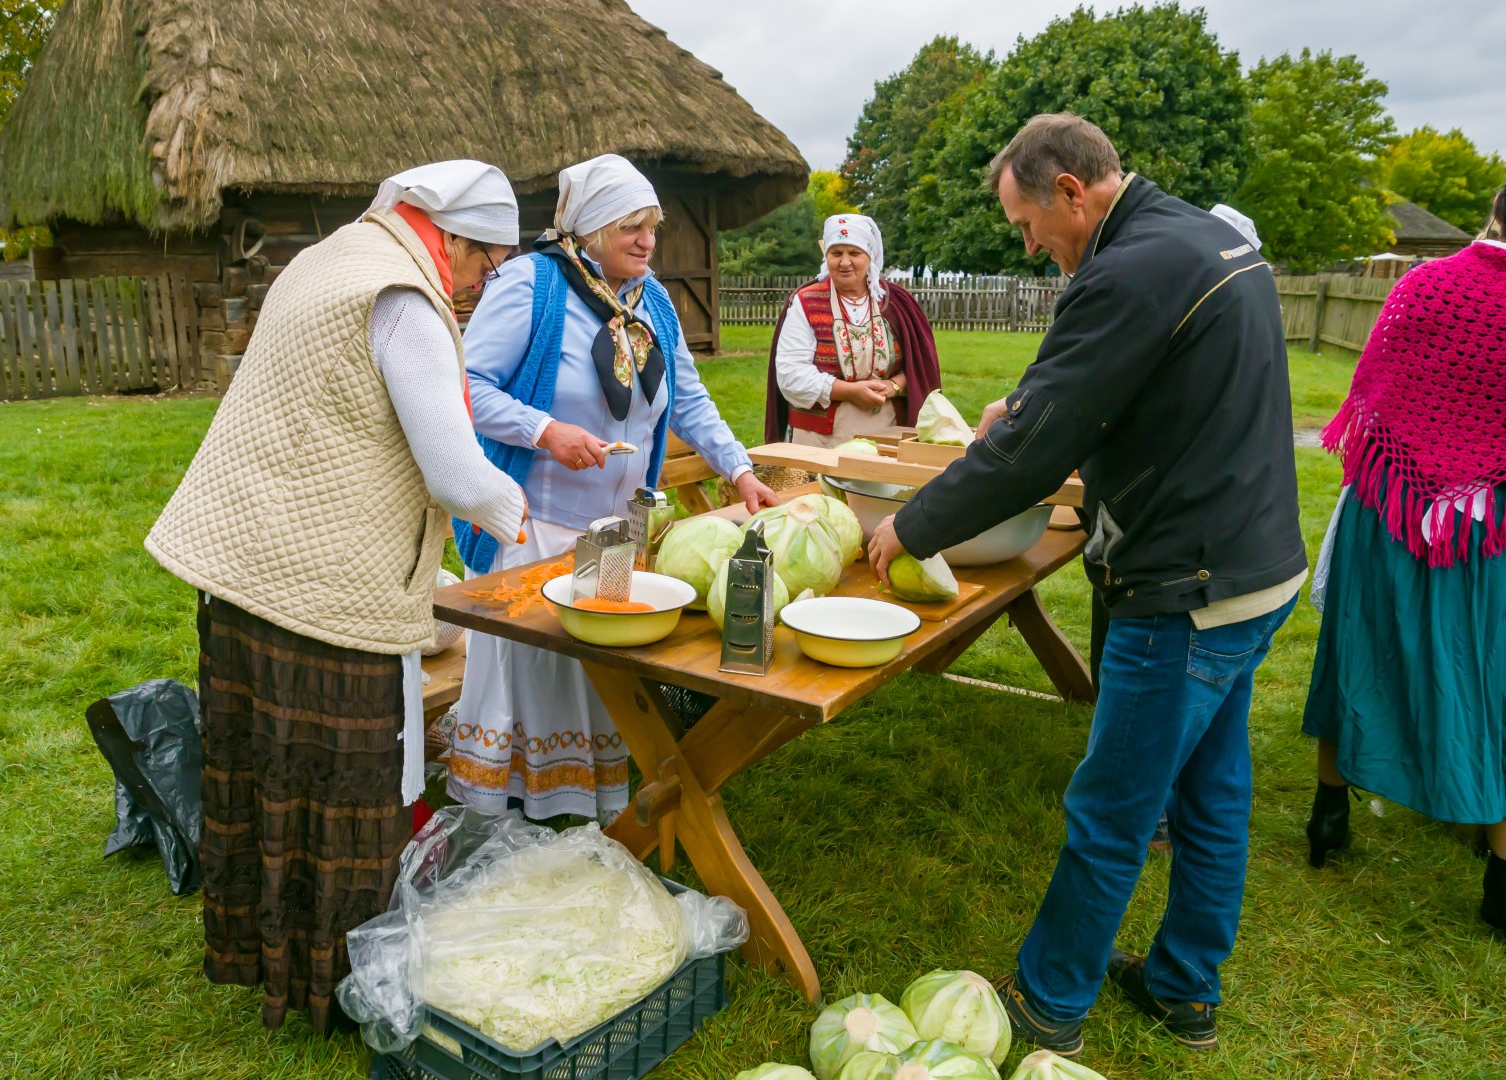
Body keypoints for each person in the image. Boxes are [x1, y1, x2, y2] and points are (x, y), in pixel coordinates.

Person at [867, 114, 1306, 1056]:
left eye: (1028, 223)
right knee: (1215, 795)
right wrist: (1022, 404)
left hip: (1185, 582)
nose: (1028, 245)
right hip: (1259, 569)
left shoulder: (1127, 268)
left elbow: (1029, 457)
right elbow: (1138, 382)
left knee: (1113, 808)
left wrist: (911, 524)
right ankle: (1187, 988)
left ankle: (1049, 1000)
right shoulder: (1199, 236)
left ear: (1072, 191)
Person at [143, 160, 529, 1033]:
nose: (481, 282)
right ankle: (339, 987)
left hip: (246, 570)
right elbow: (455, 470)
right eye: (486, 261)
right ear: (453, 236)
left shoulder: (328, 258)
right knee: (347, 790)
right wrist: (515, 514)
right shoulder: (404, 300)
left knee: (267, 768)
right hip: (321, 591)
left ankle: (264, 956)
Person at [448, 153, 778, 824]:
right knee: (535, 672)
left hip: (615, 526)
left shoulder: (651, 299)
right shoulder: (531, 286)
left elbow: (688, 399)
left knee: (597, 672)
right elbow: (465, 388)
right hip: (535, 522)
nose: (647, 240)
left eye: (652, 225)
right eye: (631, 225)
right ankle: (508, 812)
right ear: (591, 229)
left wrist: (740, 471)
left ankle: (578, 803)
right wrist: (545, 431)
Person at [1300, 184, 1506, 937]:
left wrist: (1415, 471)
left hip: (1386, 507)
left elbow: (1374, 396)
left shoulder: (1419, 284)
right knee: (1488, 675)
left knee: (1358, 649)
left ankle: (1328, 812)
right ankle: (1501, 881)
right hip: (1483, 527)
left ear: (1493, 210)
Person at [764, 214, 942, 446]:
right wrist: (849, 391)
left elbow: (921, 369)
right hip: (819, 440)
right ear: (826, 256)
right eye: (836, 253)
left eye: (854, 253)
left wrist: (894, 386)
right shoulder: (806, 302)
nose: (845, 262)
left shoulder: (895, 303)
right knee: (817, 484)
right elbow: (790, 375)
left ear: (870, 256)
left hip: (888, 437)